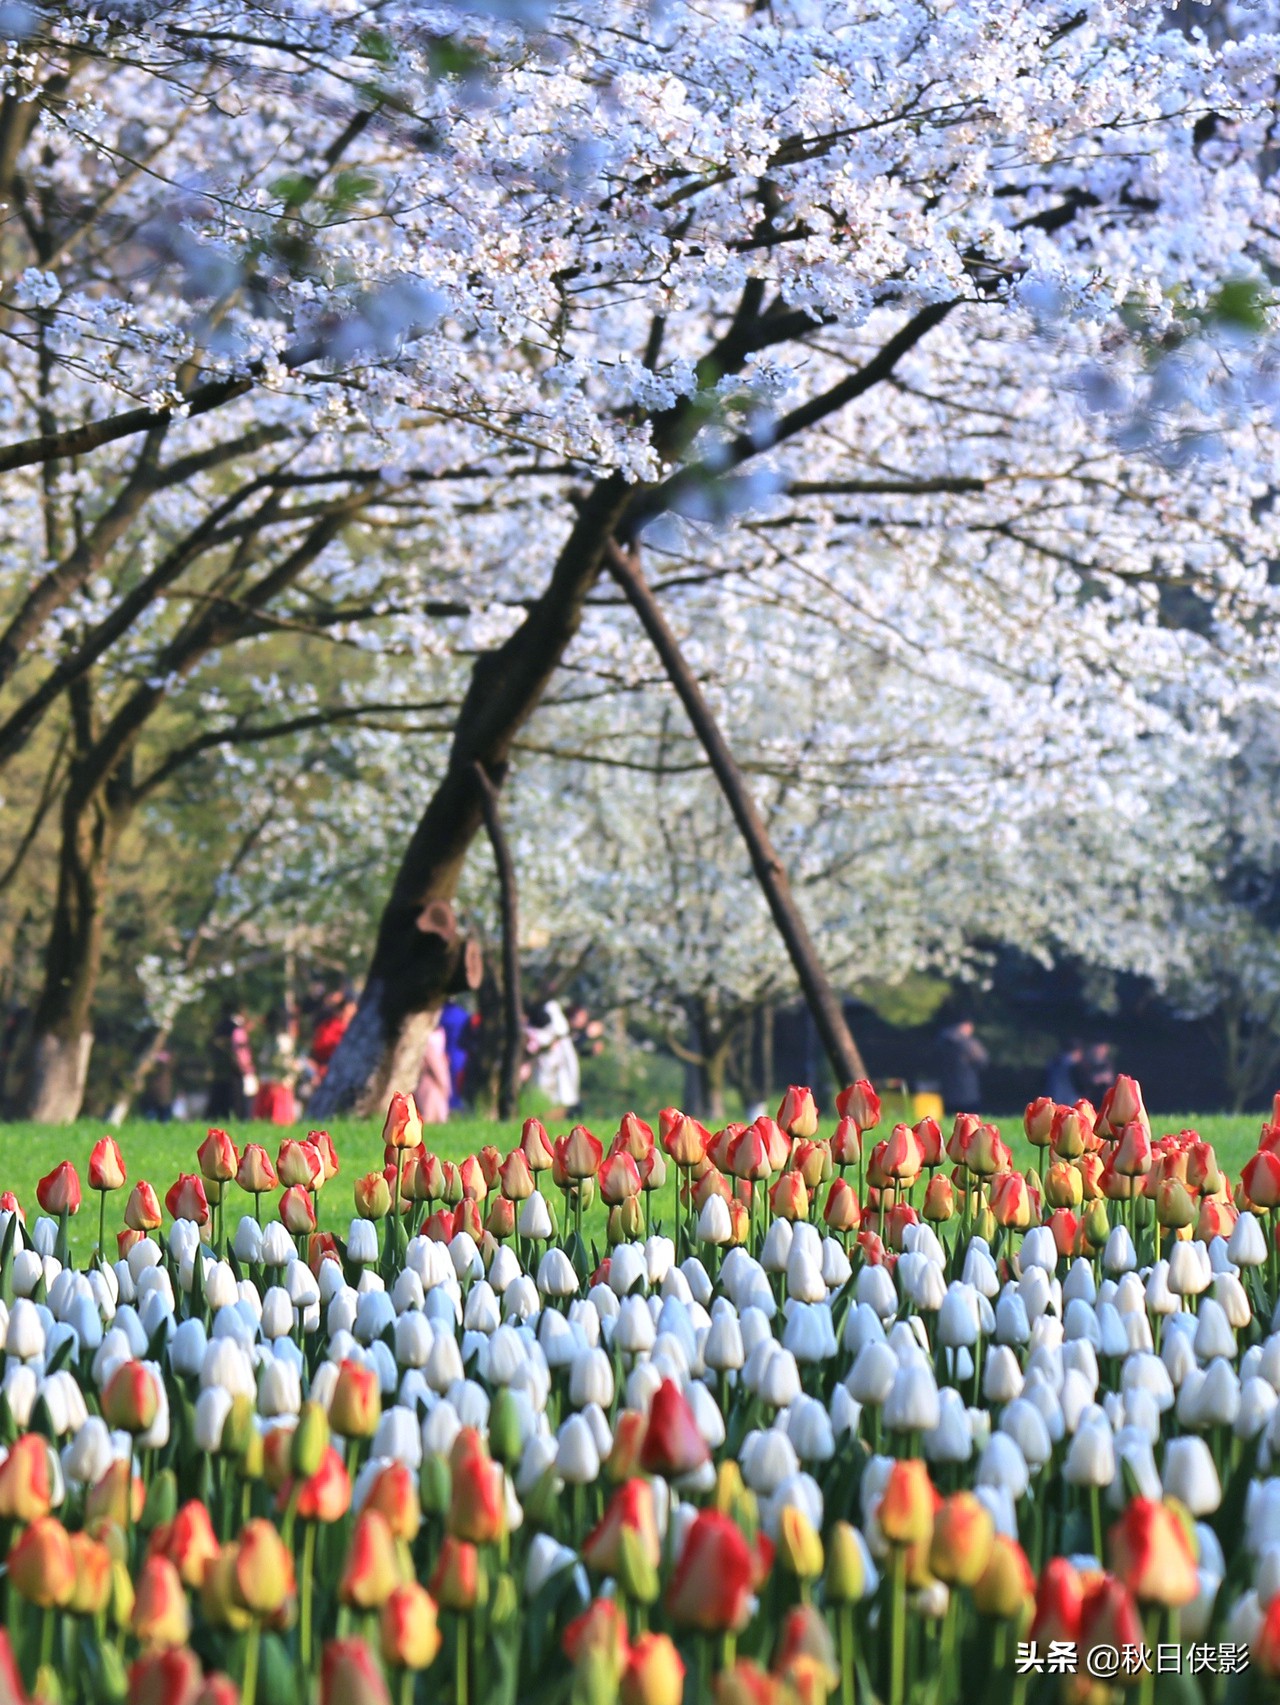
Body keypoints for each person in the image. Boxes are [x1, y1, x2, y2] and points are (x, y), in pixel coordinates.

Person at [525, 998, 580, 1120]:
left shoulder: (558, 1033)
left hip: (556, 1065)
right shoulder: (540, 1032)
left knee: (560, 1095)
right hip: (545, 1066)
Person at [208, 1003, 256, 1121]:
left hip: (221, 1069)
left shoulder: (219, 1026)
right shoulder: (237, 1029)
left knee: (219, 1099)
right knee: (238, 1100)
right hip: (235, 1069)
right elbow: (239, 1050)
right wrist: (244, 1066)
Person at [252, 1007, 299, 1125]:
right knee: (281, 1121)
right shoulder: (284, 1040)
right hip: (281, 1085)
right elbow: (285, 1063)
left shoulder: (269, 1040)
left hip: (267, 1082)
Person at [935, 1018, 988, 1112]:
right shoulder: (968, 1043)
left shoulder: (942, 1042)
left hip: (948, 1092)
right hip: (968, 1091)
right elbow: (982, 1060)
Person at [415, 1019, 452, 1124]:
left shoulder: (439, 1030)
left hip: (438, 1063)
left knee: (438, 1094)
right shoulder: (423, 1033)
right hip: (428, 1070)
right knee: (429, 1097)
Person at [439, 999, 472, 1111]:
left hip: (445, 1055)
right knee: (458, 1085)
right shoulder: (462, 1014)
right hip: (461, 1056)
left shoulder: (441, 1015)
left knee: (448, 1084)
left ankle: (450, 1108)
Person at [1046, 1040, 1084, 1105]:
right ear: (1077, 1052)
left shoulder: (1053, 1063)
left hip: (1053, 1097)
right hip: (1070, 1099)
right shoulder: (1075, 1066)